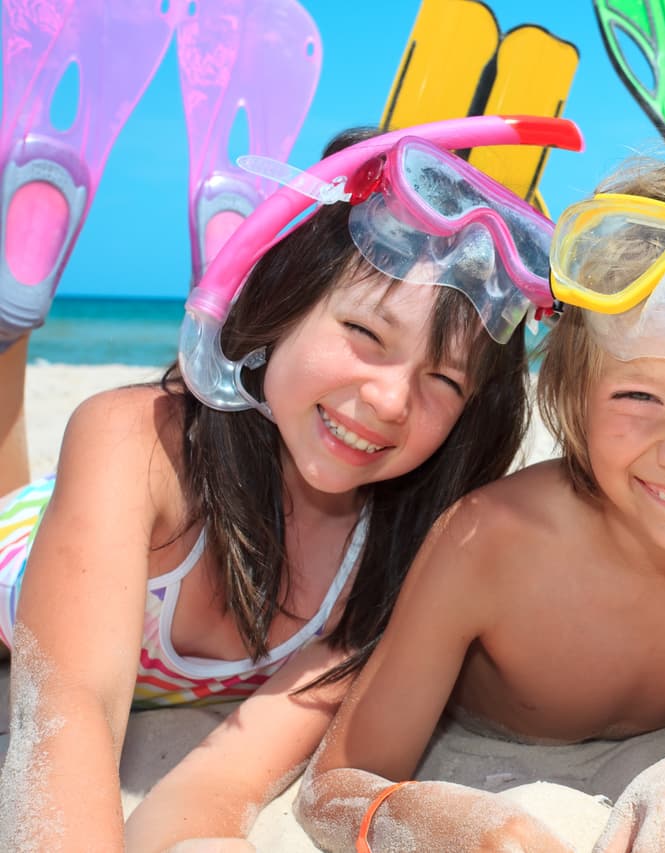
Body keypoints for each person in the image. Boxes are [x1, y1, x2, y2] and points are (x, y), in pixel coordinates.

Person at [0, 115, 583, 852]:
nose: (391, 400)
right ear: (280, 304)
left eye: (443, 379)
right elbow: (68, 717)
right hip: (26, 557)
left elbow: (217, 786)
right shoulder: (133, 443)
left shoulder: (390, 568)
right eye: (365, 334)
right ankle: (12, 322)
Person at [293, 160, 665, 852]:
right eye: (639, 396)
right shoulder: (487, 543)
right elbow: (334, 786)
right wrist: (448, 824)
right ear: (573, 393)